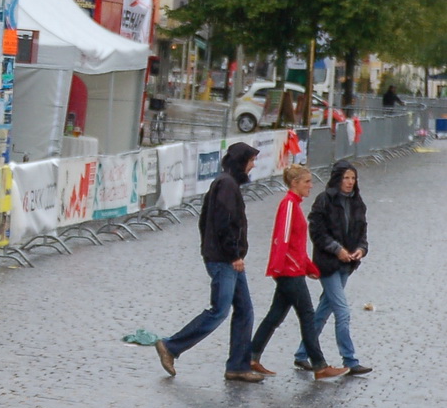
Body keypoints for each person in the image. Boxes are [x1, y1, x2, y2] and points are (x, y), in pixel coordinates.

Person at [154, 141, 263, 382]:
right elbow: (223, 223)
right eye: (251, 161)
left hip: (226, 257)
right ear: (240, 161)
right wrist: (233, 254)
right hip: (225, 259)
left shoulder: (227, 183)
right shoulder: (226, 185)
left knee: (245, 310)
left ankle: (237, 365)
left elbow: (206, 222)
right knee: (219, 311)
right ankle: (171, 346)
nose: (253, 165)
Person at [248, 165, 348, 379]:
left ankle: (251, 356)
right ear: (295, 183)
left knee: (275, 315)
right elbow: (283, 240)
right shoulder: (289, 205)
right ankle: (319, 365)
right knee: (307, 315)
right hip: (289, 271)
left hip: (290, 269)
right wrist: (282, 267)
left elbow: (295, 244)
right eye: (307, 182)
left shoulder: (293, 205)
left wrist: (309, 267)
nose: (311, 186)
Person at [293, 159, 371, 375]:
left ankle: (301, 353)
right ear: (337, 179)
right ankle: (350, 359)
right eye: (346, 178)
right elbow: (317, 232)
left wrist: (360, 250)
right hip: (328, 265)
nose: (350, 182)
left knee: (323, 311)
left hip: (348, 265)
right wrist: (337, 249)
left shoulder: (358, 202)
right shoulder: (324, 200)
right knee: (342, 311)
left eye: (353, 178)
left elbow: (362, 232)